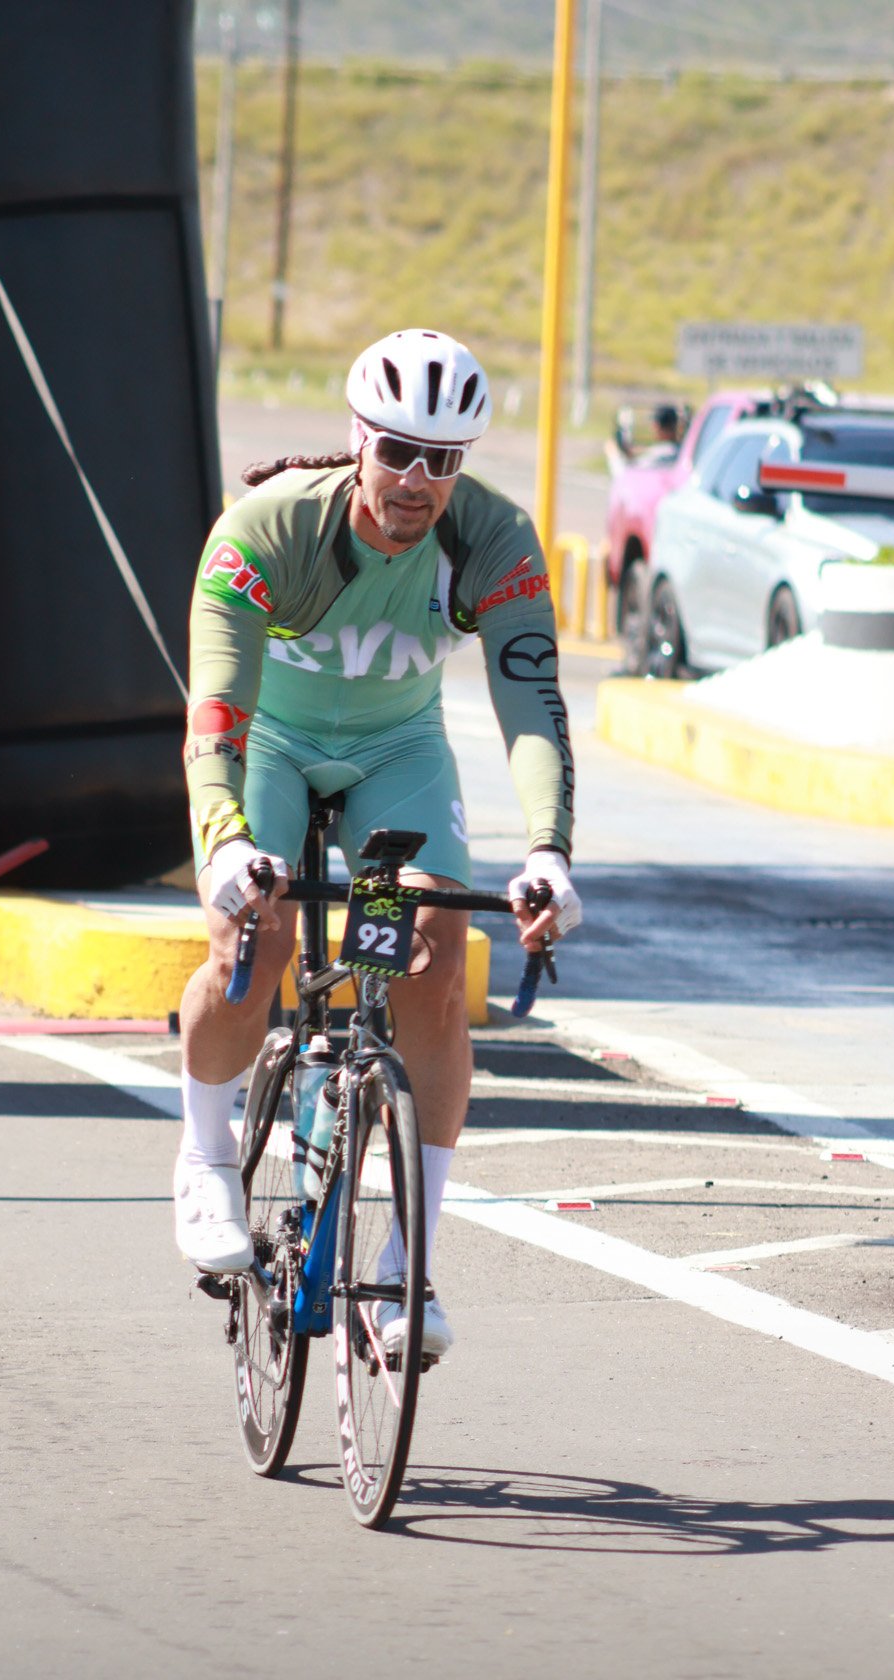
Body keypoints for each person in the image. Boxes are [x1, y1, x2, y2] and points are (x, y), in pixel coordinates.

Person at [173, 329, 581, 1361]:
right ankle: (207, 1157)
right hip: (271, 747)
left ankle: (405, 1260)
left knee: (424, 963)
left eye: (442, 460)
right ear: (358, 439)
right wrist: (225, 845)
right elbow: (215, 712)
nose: (416, 481)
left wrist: (549, 852)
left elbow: (533, 704)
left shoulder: (493, 540)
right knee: (256, 941)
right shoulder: (268, 530)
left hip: (396, 759)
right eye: (397, 451)